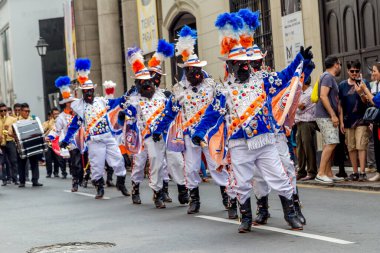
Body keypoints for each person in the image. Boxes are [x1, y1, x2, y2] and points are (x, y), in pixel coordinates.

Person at [192, 12, 304, 232]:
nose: (244, 67)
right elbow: (211, 115)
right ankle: (245, 217)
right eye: (239, 64)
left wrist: (300, 60)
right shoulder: (224, 90)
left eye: (246, 63)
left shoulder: (262, 80)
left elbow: (284, 76)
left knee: (279, 177)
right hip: (239, 143)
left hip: (265, 141)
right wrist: (199, 132)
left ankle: (291, 214)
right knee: (242, 183)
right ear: (231, 66)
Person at [152, 26, 230, 215]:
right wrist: (158, 129)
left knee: (216, 165)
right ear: (185, 71)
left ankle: (228, 197)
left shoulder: (212, 85)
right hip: (189, 134)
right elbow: (169, 112)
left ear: (200, 69)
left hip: (210, 133)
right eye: (189, 71)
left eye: (196, 70)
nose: (193, 74)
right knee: (191, 168)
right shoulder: (179, 90)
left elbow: (221, 107)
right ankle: (194, 199)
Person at [61, 58, 129, 199]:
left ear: (93, 90)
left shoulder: (102, 101)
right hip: (94, 141)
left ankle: (121, 183)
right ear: (83, 93)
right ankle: (99, 188)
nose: (89, 94)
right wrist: (66, 140)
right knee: (97, 167)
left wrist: (128, 95)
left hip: (108, 137)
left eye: (90, 91)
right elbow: (74, 125)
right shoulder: (80, 108)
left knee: (118, 160)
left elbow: (116, 102)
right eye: (86, 92)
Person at [48, 76, 83, 192]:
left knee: (89, 161)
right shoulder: (62, 117)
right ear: (67, 104)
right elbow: (56, 129)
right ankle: (75, 182)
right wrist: (51, 136)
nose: (72, 103)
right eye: (70, 102)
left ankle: (85, 178)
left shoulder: (79, 113)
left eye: (73, 102)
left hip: (85, 140)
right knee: (76, 163)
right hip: (72, 142)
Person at [338, 60, 370, 181]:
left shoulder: (364, 82)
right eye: (352, 71)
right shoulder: (342, 85)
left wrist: (360, 92)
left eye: (357, 71)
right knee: (351, 147)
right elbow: (340, 105)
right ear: (347, 71)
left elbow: (367, 101)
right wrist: (341, 121)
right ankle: (355, 172)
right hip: (347, 120)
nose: (354, 73)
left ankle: (362, 172)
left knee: (361, 145)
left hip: (361, 120)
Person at [315, 56, 344, 184]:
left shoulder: (328, 77)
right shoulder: (327, 77)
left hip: (325, 115)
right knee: (331, 143)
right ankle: (321, 173)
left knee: (329, 143)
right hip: (325, 116)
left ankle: (328, 173)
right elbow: (323, 96)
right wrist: (333, 114)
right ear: (336, 65)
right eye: (340, 64)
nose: (340, 66)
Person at [8, 103, 43, 187]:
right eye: (25, 111)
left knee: (34, 162)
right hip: (21, 145)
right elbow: (9, 132)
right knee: (21, 163)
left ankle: (35, 180)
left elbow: (39, 130)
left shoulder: (33, 119)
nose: (27, 113)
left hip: (32, 143)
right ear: (21, 111)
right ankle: (22, 181)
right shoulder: (15, 121)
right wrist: (16, 137)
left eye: (28, 111)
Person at [360, 63, 380, 181]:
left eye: (374, 71)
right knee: (377, 147)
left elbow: (375, 101)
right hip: (377, 122)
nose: (372, 73)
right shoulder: (375, 85)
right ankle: (379, 172)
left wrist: (364, 89)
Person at [296, 76, 318, 181]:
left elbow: (300, 109)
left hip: (307, 123)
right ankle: (301, 171)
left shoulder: (309, 93)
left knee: (308, 147)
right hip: (300, 122)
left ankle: (312, 171)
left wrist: (294, 106)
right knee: (300, 148)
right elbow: (297, 107)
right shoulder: (301, 92)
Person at [44, 108, 67, 178]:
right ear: (52, 115)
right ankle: (49, 172)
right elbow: (43, 131)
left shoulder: (62, 120)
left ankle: (60, 172)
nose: (57, 115)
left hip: (58, 141)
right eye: (55, 114)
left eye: (58, 113)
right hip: (49, 142)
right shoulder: (47, 123)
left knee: (59, 158)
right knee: (48, 158)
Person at [0, 103, 18, 185]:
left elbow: (16, 131)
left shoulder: (12, 119)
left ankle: (15, 178)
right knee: (2, 162)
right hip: (1, 143)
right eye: (1, 111)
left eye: (5, 110)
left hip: (10, 141)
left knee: (13, 160)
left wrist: (11, 134)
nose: (3, 112)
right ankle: (4, 179)